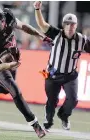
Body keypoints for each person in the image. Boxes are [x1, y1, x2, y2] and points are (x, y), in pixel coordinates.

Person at [0, 5, 53, 138]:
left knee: (5, 89)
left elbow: (24, 26)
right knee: (15, 91)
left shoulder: (7, 16)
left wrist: (41, 36)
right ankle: (35, 125)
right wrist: (8, 64)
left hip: (12, 55)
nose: (2, 23)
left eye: (1, 20)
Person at [33, 1, 90, 131]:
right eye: (67, 23)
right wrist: (37, 9)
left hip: (70, 75)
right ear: (63, 25)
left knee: (73, 99)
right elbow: (42, 24)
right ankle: (48, 121)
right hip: (53, 74)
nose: (70, 26)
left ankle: (64, 115)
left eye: (73, 24)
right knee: (52, 100)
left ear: (76, 25)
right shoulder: (56, 34)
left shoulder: (82, 39)